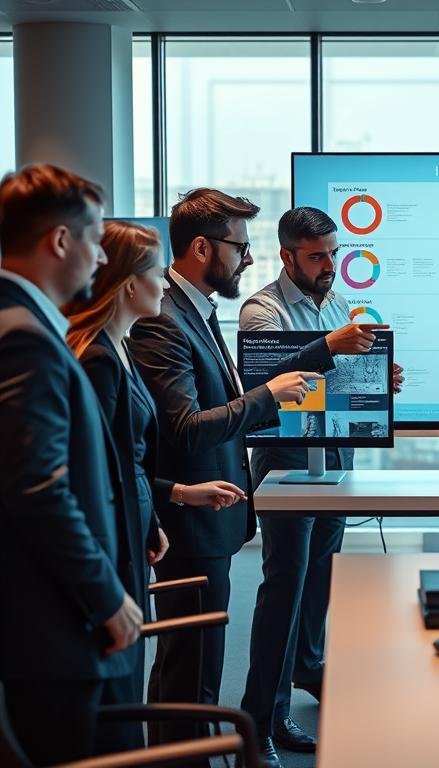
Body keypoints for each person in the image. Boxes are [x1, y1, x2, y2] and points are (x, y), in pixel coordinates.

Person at [127, 189, 317, 763]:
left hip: (211, 516)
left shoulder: (198, 311)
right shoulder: (163, 320)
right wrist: (268, 397)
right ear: (203, 247)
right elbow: (183, 429)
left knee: (195, 670)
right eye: (241, 246)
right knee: (191, 675)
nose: (250, 259)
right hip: (189, 521)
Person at [63, 220, 248, 750]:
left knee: (177, 672)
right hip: (116, 550)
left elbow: (126, 461)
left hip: (147, 530)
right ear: (128, 283)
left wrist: (173, 496)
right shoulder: (101, 356)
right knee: (166, 680)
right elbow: (96, 472)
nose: (163, 285)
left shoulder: (116, 349)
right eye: (153, 272)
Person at [239, 206, 403, 767]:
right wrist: (333, 347)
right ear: (287, 256)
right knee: (284, 585)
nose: (330, 264)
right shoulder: (262, 308)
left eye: (334, 252)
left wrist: (378, 380)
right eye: (317, 256)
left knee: (320, 578)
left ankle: (308, 668)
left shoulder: (333, 302)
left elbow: (335, 382)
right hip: (288, 460)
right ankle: (260, 719)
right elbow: (268, 379)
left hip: (334, 454)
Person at [0, 164, 142, 765]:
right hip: (50, 628)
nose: (101, 258)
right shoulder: (24, 337)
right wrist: (107, 595)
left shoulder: (24, 325)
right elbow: (38, 488)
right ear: (60, 241)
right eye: (93, 239)